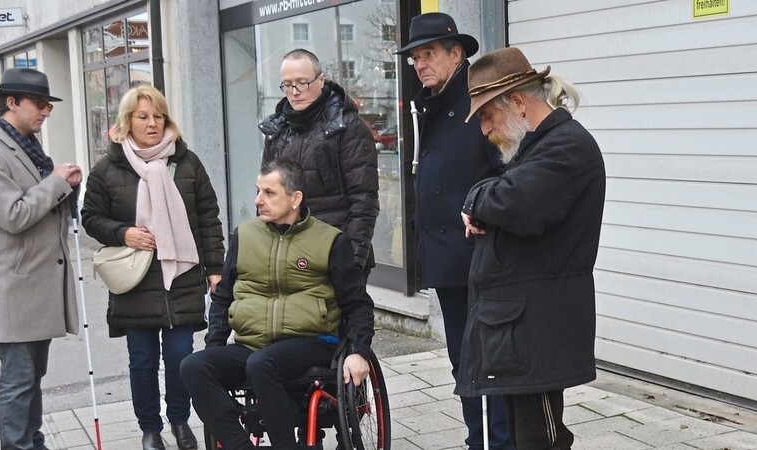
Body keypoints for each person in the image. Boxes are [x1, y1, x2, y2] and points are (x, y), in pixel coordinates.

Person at [456, 47, 606, 449]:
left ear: (519, 102)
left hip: (536, 324)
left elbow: (515, 202)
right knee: (526, 432)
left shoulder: (566, 147)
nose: (484, 129)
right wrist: (481, 199)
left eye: (487, 115)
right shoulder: (538, 147)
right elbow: (503, 194)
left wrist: (475, 200)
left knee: (542, 437)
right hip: (519, 322)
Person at [181, 158, 375, 450]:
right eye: (258, 191)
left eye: (269, 193)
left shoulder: (329, 241)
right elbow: (223, 298)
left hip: (309, 342)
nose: (258, 200)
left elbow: (357, 302)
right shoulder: (244, 236)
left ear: (295, 198)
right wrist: (215, 346)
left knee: (262, 364)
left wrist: (359, 351)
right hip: (251, 344)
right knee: (193, 366)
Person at [81, 85, 225, 450]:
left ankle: (179, 422)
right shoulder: (108, 168)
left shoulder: (187, 162)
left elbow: (208, 216)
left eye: (158, 116)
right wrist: (123, 232)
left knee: (181, 359)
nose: (152, 123)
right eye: (142, 116)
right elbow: (91, 218)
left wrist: (216, 268)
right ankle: (149, 428)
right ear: (127, 121)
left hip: (183, 277)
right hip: (136, 280)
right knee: (142, 362)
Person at [395, 13, 513, 450]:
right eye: (414, 58)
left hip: (480, 256)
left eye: (428, 54)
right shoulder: (432, 102)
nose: (420, 64)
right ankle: (476, 440)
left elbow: (509, 172)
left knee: (489, 362)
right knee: (463, 360)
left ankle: (496, 443)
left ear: (456, 53)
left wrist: (479, 211)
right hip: (447, 257)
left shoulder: (480, 100)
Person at [0, 68, 82, 450]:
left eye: (49, 105)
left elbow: (49, 208)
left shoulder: (28, 146)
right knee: (18, 379)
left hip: (36, 283)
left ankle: (32, 442)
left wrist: (68, 185)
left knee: (33, 374)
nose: (46, 111)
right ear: (11, 102)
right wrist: (55, 181)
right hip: (14, 285)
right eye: (39, 104)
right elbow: (14, 215)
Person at [259, 48, 379, 276]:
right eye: (287, 84)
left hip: (335, 251)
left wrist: (352, 260)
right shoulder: (277, 131)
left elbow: (364, 199)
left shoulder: (348, 127)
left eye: (302, 83)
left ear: (321, 80)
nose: (294, 92)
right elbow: (266, 194)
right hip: (288, 252)